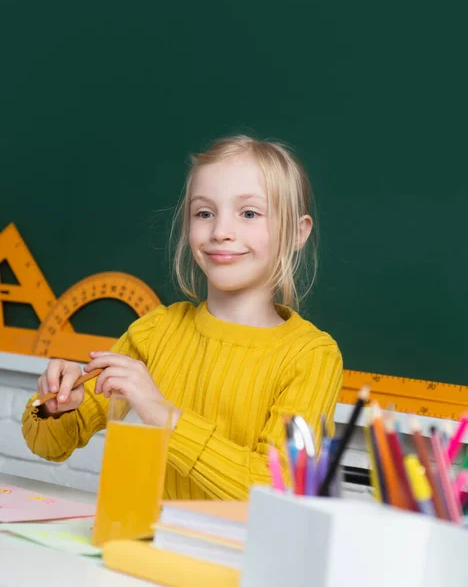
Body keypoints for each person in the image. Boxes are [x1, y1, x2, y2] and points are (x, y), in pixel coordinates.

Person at [22, 135, 343, 500]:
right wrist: (55, 406)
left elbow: (278, 491)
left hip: (238, 556)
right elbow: (49, 447)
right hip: (142, 546)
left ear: (298, 233)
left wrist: (163, 415)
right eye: (204, 213)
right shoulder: (155, 332)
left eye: (249, 213)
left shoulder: (311, 356)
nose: (220, 232)